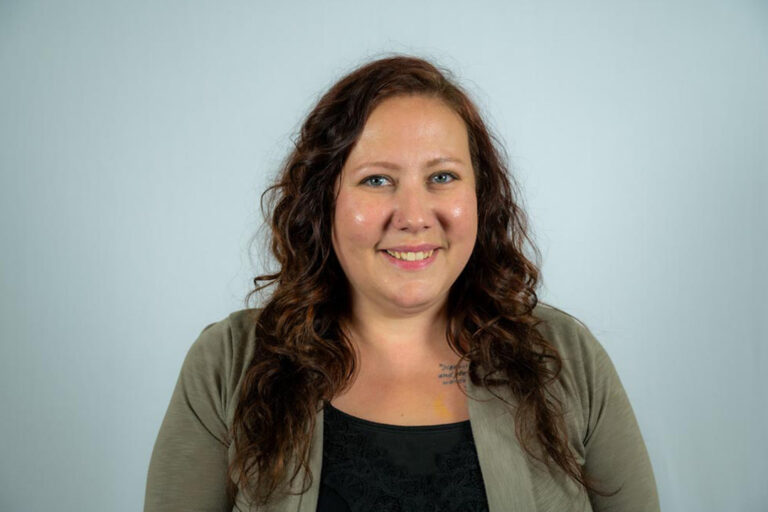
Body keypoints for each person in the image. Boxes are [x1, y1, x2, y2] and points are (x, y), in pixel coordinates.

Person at [144, 55, 660, 512]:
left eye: (442, 177)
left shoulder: (567, 357)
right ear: (322, 201)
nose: (414, 216)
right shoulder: (228, 363)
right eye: (377, 180)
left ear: (481, 196)